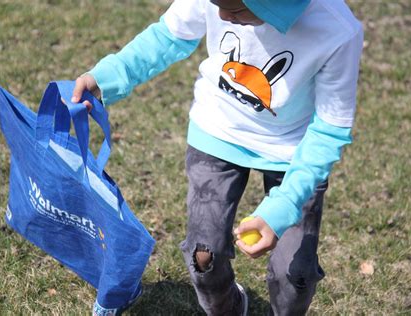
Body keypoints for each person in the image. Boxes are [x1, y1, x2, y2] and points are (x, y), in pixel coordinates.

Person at [72, 0, 364, 315]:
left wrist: (283, 206)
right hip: (218, 129)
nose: (222, 16)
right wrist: (108, 76)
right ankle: (228, 308)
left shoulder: (337, 30)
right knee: (204, 256)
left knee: (296, 275)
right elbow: (168, 37)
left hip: (295, 151)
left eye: (235, 11)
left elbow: (328, 130)